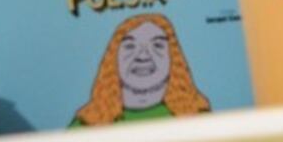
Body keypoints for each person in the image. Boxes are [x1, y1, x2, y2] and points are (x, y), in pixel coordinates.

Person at [72, 15, 210, 125]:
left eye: (157, 45)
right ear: (113, 58)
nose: (143, 56)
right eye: (130, 46)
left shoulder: (199, 117)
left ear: (174, 57)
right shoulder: (87, 124)